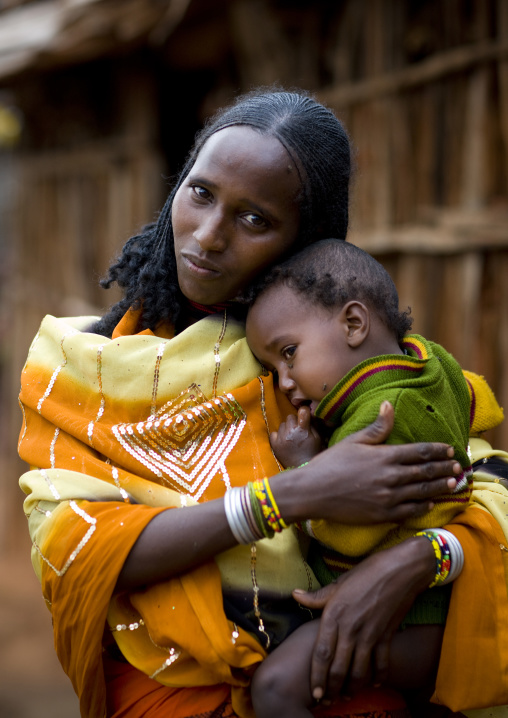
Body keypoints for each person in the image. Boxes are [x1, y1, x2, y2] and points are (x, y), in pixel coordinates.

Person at [17, 89, 508, 718]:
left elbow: (480, 478)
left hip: (341, 680)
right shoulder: (84, 366)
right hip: (168, 693)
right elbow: (75, 551)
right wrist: (293, 496)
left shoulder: (327, 359)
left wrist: (423, 559)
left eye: (255, 220)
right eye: (200, 193)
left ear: (305, 239)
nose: (210, 235)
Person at [245, 238, 476, 717]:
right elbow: (481, 406)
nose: (285, 382)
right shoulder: (431, 363)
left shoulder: (379, 416)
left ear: (353, 323)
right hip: (433, 611)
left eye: (289, 353)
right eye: (272, 368)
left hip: (409, 623)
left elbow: (350, 534)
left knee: (274, 687)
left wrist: (304, 470)